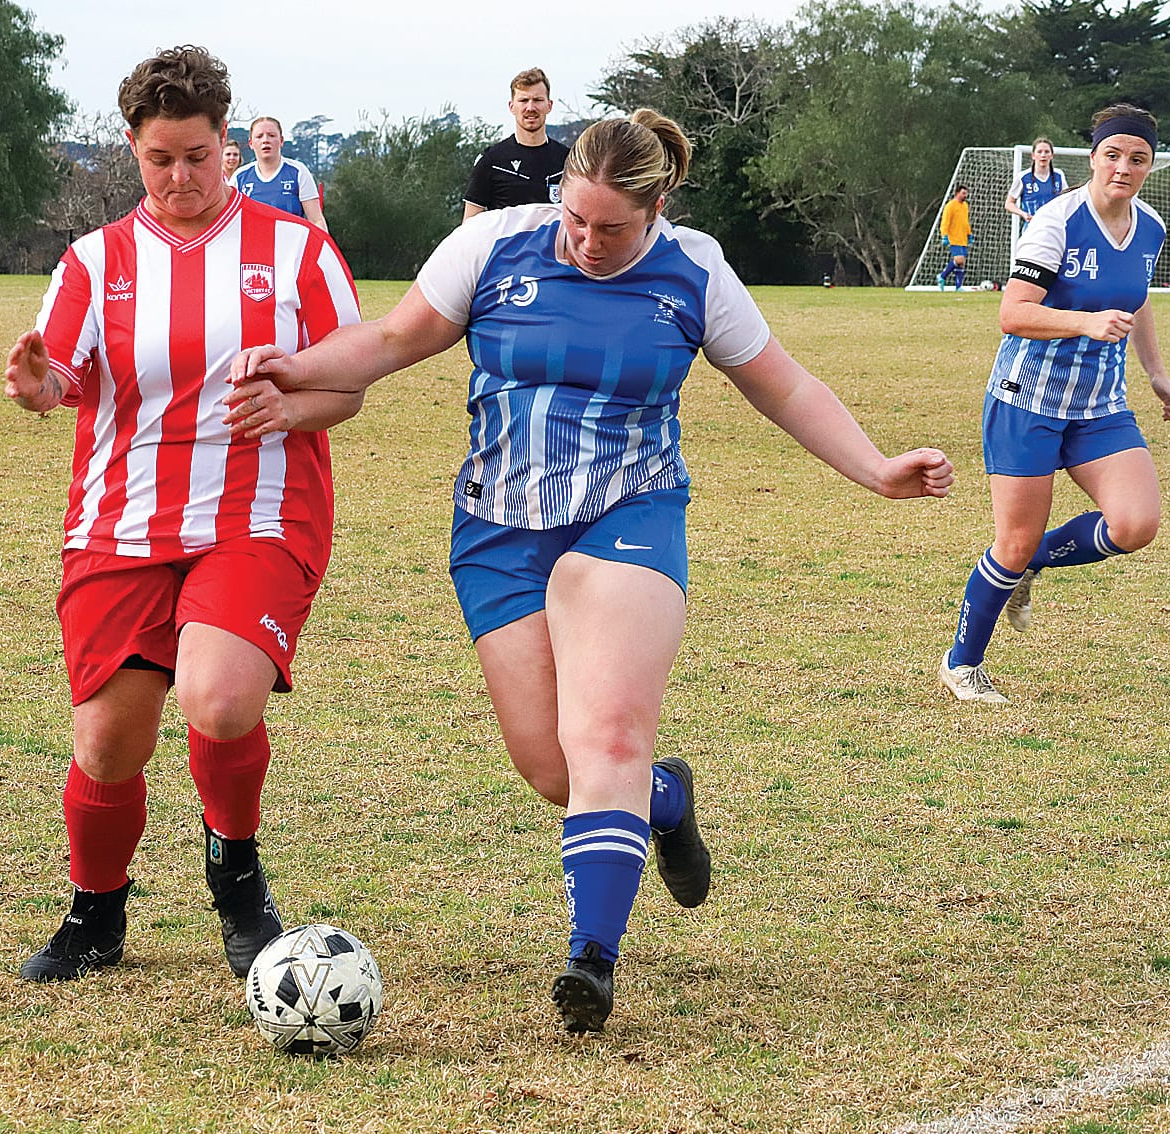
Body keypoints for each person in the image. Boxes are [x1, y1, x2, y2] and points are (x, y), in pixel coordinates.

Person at [231, 109, 953, 1033]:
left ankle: (591, 959)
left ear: (657, 206)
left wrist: (875, 468)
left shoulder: (695, 271)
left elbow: (785, 386)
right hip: (496, 529)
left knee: (605, 734)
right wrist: (293, 368)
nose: (587, 240)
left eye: (611, 227)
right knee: (554, 766)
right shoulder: (493, 245)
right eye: (575, 218)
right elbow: (387, 342)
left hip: (629, 510)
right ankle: (663, 796)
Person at [4, 45, 363, 985]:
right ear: (133, 150)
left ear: (228, 143)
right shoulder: (93, 260)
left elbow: (347, 383)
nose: (180, 177)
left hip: (259, 512)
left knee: (219, 696)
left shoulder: (295, 251)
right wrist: (39, 387)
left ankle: (238, 884)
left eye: (198, 156)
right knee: (109, 740)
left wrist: (294, 403)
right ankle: (96, 916)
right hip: (119, 521)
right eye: (160, 159)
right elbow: (64, 376)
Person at [939, 103, 1170, 705]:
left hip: (1100, 405)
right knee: (1013, 542)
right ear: (1093, 157)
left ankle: (1032, 567)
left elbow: (1139, 298)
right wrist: (1082, 321)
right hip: (1028, 402)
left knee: (1135, 524)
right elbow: (1012, 314)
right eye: (1113, 155)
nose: (1123, 168)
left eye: (1138, 159)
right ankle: (961, 664)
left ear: (1149, 167)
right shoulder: (1055, 221)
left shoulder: (1149, 225)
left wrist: (1155, 372)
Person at [462, 67, 569, 220]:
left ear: (549, 105)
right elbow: (470, 227)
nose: (530, 108)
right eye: (523, 100)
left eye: (538, 100)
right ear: (512, 106)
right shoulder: (492, 161)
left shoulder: (569, 161)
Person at [230, 116, 328, 231]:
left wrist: (323, 246)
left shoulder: (298, 172)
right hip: (253, 247)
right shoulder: (240, 177)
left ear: (281, 141)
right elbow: (229, 221)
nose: (265, 140)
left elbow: (316, 220)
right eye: (259, 136)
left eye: (271, 135)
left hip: (291, 246)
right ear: (251, 143)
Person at [1004, 138, 1068, 226]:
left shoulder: (1059, 175)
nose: (1043, 155)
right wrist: (1023, 214)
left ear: (1052, 155)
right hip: (1032, 228)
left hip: (1054, 226)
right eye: (1039, 151)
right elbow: (1009, 203)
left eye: (1046, 152)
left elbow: (1067, 200)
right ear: (1033, 155)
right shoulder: (1023, 177)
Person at [937, 184, 972, 290]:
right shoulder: (950, 206)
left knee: (962, 263)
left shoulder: (965, 206)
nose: (965, 195)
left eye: (966, 193)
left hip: (963, 238)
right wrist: (944, 235)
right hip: (953, 237)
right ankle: (942, 276)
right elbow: (945, 222)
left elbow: (965, 222)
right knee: (959, 259)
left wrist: (969, 234)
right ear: (957, 193)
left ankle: (958, 287)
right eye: (963, 193)